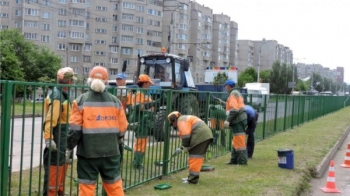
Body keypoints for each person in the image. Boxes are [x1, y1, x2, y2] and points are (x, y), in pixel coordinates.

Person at [66, 66, 127, 195]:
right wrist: (115, 140)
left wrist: (68, 147)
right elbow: (122, 128)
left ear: (89, 80)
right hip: (111, 152)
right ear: (106, 81)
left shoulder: (80, 101)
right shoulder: (115, 102)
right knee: (114, 186)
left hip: (88, 153)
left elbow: (74, 131)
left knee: (87, 187)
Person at [42, 67, 76, 196]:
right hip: (57, 137)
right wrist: (49, 138)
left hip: (64, 137)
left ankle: (59, 191)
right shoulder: (57, 95)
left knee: (63, 165)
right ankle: (51, 193)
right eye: (71, 80)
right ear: (68, 81)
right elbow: (51, 119)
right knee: (54, 167)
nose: (72, 83)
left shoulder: (63, 94)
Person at [169, 111, 213, 184]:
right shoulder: (184, 119)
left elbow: (186, 136)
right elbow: (187, 135)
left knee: (194, 158)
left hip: (200, 136)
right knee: (196, 157)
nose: (173, 126)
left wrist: (185, 146)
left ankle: (193, 180)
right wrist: (182, 147)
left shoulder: (181, 121)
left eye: (171, 124)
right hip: (203, 135)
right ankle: (192, 177)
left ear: (174, 120)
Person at [132, 74, 155, 169]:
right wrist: (151, 104)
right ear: (144, 83)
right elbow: (139, 108)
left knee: (142, 142)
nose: (150, 85)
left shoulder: (146, 93)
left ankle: (138, 162)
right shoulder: (139, 94)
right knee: (140, 143)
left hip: (146, 121)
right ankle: (137, 163)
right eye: (149, 83)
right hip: (141, 121)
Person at [223, 80, 248, 165]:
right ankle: (234, 160)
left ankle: (242, 161)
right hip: (240, 119)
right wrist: (223, 103)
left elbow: (234, 109)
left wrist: (228, 120)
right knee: (235, 140)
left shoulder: (233, 94)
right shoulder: (236, 93)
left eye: (225, 86)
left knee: (239, 141)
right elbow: (234, 107)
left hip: (238, 120)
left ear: (228, 86)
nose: (225, 88)